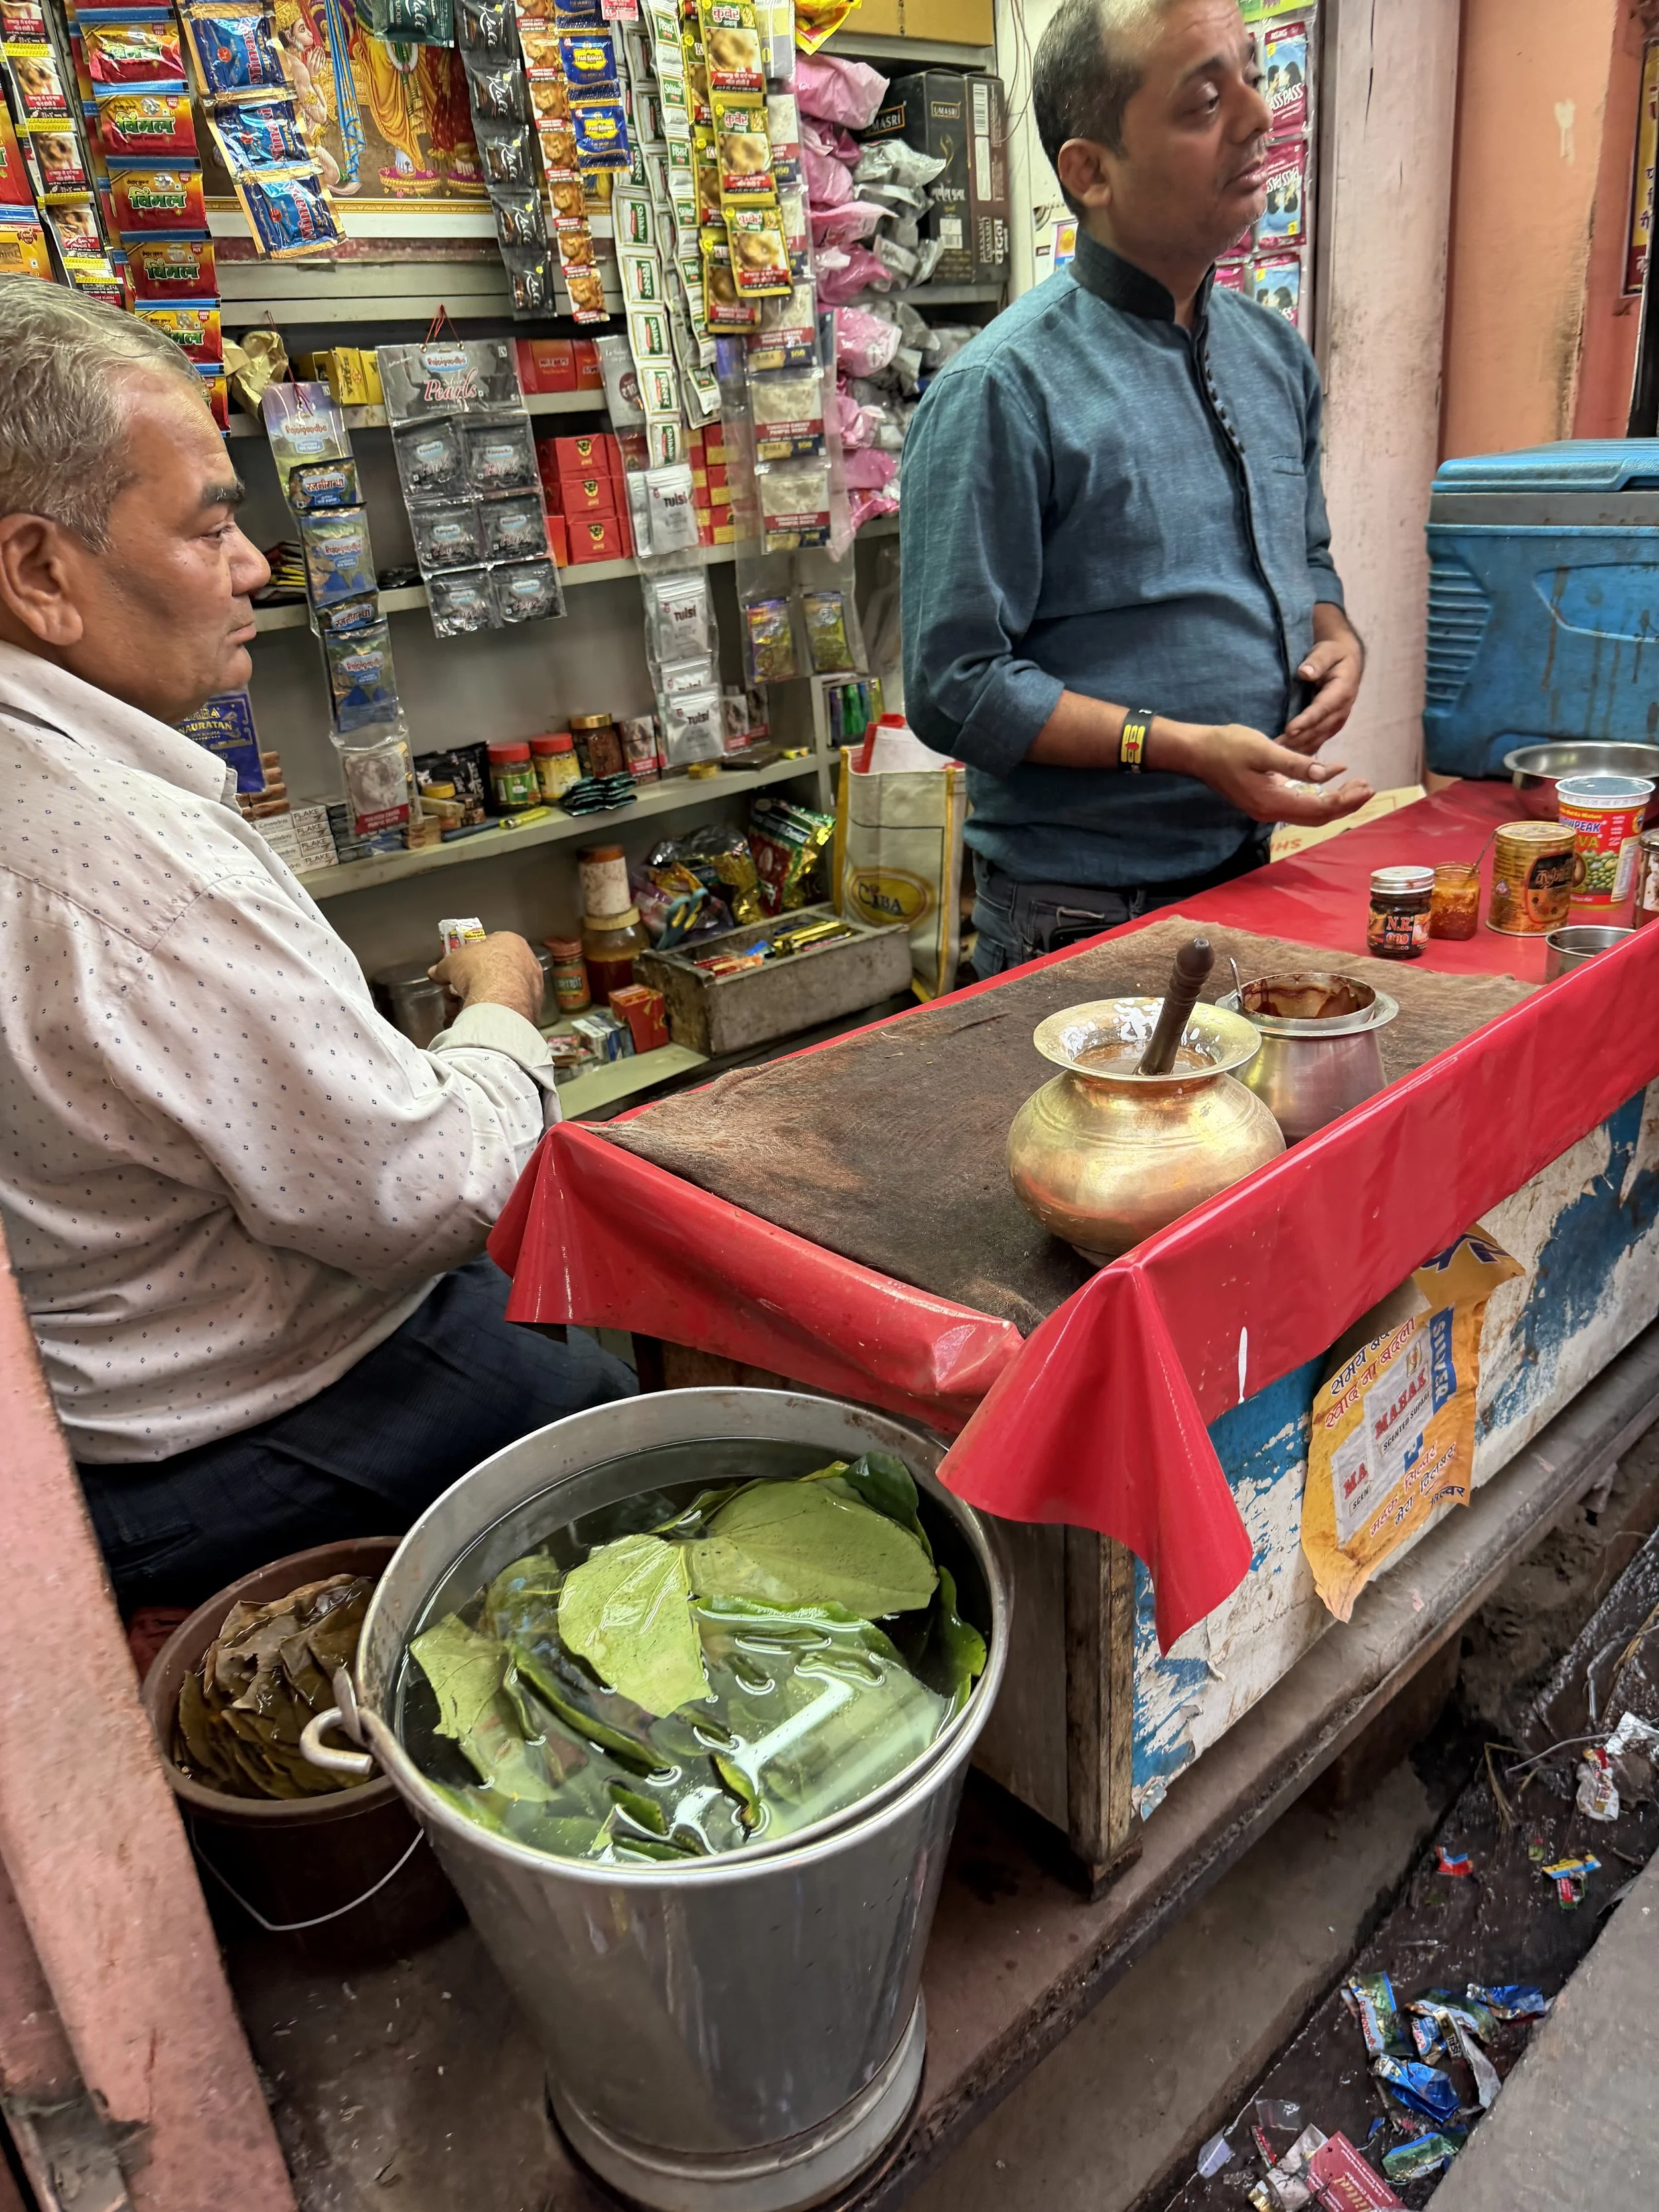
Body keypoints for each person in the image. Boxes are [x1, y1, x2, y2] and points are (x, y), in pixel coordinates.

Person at [0, 283, 633, 1611]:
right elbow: (426, 1194)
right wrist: (502, 1011)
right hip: (228, 1434)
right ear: (41, 572)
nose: (251, 569)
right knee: (609, 1424)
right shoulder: (122, 857)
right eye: (211, 526)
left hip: (94, 1416)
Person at [901, 0, 1373, 977]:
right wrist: (1181, 747)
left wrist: (1336, 633)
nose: (1258, 116)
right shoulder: (1004, 390)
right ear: (1092, 171)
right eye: (1206, 100)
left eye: (1251, 75)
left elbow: (1305, 552)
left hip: (1248, 876)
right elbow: (953, 690)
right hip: (1080, 920)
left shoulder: (1273, 356)